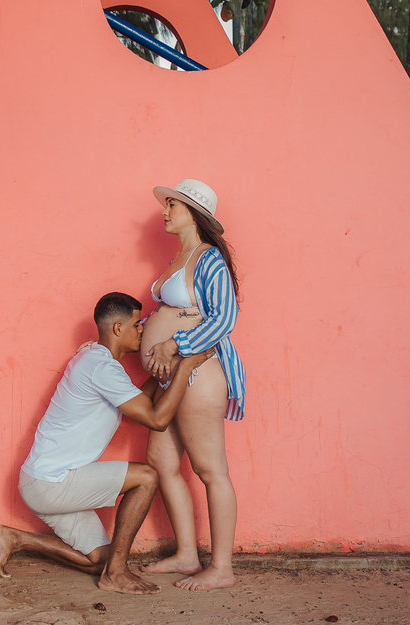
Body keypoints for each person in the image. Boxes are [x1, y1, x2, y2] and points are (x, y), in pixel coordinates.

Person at [0, 291, 214, 594]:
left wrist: (166, 372)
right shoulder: (101, 367)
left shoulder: (97, 360)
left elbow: (140, 405)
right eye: (137, 325)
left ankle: (17, 539)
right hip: (52, 483)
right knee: (147, 477)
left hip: (46, 482)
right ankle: (117, 575)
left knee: (101, 560)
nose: (142, 330)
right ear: (118, 329)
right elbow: (156, 420)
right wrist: (185, 367)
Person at [138, 179, 245, 591]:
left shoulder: (209, 259)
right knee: (162, 463)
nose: (164, 212)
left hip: (197, 372)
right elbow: (164, 313)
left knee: (210, 468)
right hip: (169, 375)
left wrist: (175, 343)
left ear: (193, 213)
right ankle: (186, 554)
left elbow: (223, 319)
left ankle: (221, 567)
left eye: (172, 206)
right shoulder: (178, 257)